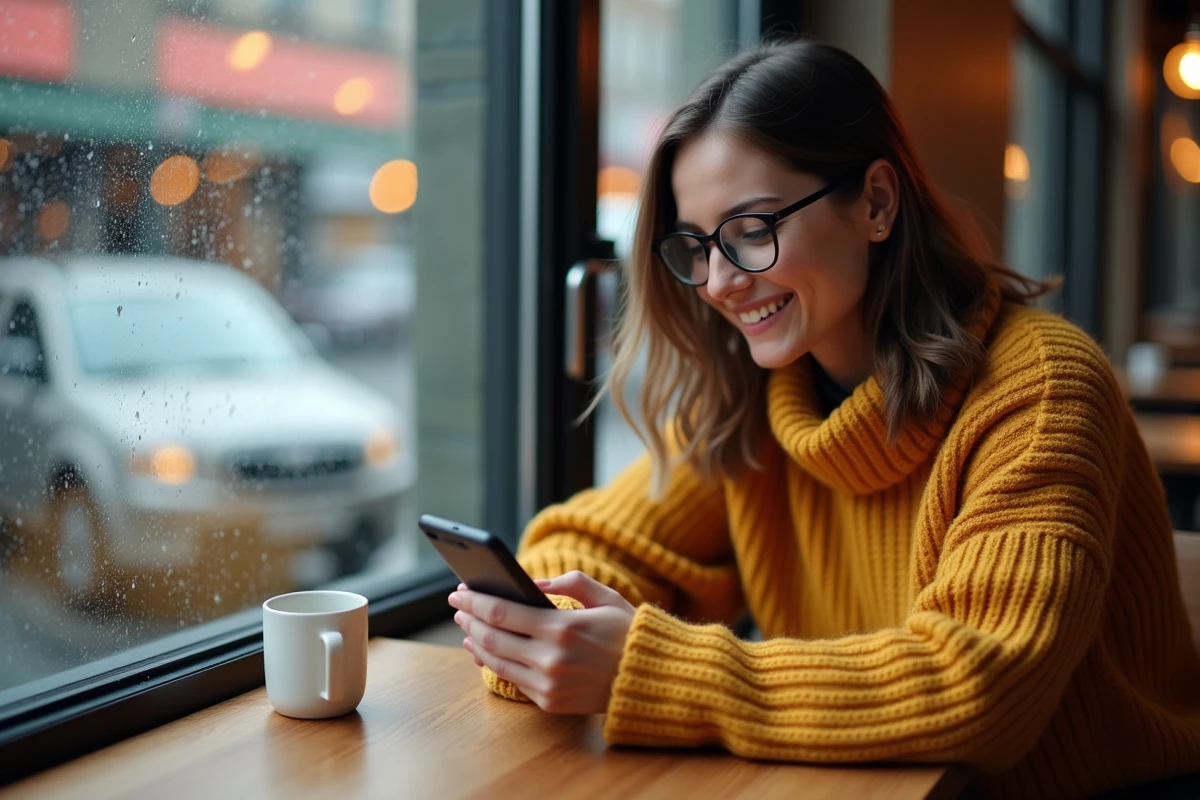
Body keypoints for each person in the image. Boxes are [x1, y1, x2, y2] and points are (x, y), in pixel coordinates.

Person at [447, 40, 1200, 798]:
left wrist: (641, 670)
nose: (718, 282)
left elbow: (978, 689)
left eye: (751, 230)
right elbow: (591, 540)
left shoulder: (1041, 389)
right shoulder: (755, 396)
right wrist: (550, 628)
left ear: (875, 204)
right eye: (696, 246)